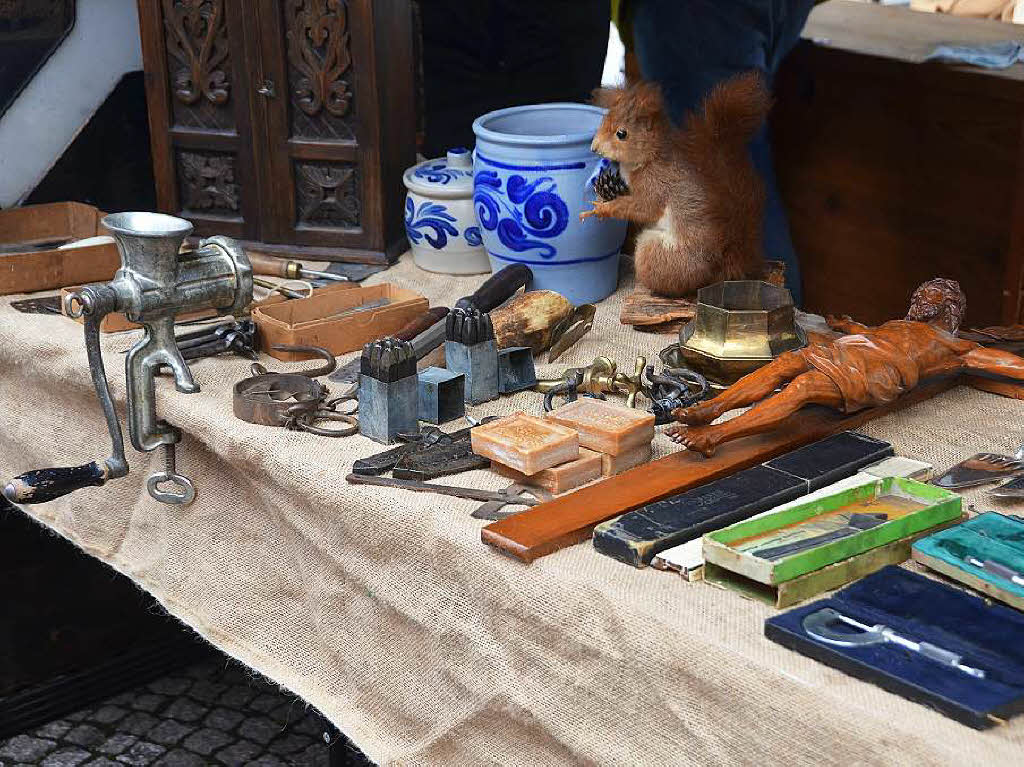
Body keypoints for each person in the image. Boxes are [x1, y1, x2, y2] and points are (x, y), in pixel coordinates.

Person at [667, 278, 1024, 456]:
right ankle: (710, 410)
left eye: (928, 294)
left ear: (947, 305)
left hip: (877, 372)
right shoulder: (901, 324)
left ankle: (716, 437)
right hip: (851, 350)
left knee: (803, 387)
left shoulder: (957, 347)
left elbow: (1005, 363)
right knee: (786, 361)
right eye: (919, 292)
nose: (919, 297)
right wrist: (847, 327)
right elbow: (875, 335)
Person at [620, 0, 815, 304]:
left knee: (722, 187)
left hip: (698, 14)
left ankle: (763, 335)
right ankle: (769, 331)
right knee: (736, 170)